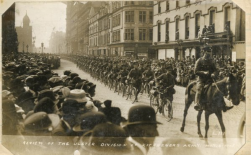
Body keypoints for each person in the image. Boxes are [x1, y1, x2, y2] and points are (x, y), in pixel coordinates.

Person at [194, 46, 233, 111]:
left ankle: (224, 105)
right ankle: (197, 103)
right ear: (204, 52)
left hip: (211, 79)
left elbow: (217, 69)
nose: (209, 54)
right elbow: (195, 71)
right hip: (201, 79)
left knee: (219, 88)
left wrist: (214, 73)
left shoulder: (212, 61)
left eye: (210, 52)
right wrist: (203, 73)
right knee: (199, 89)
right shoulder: (199, 61)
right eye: (207, 52)